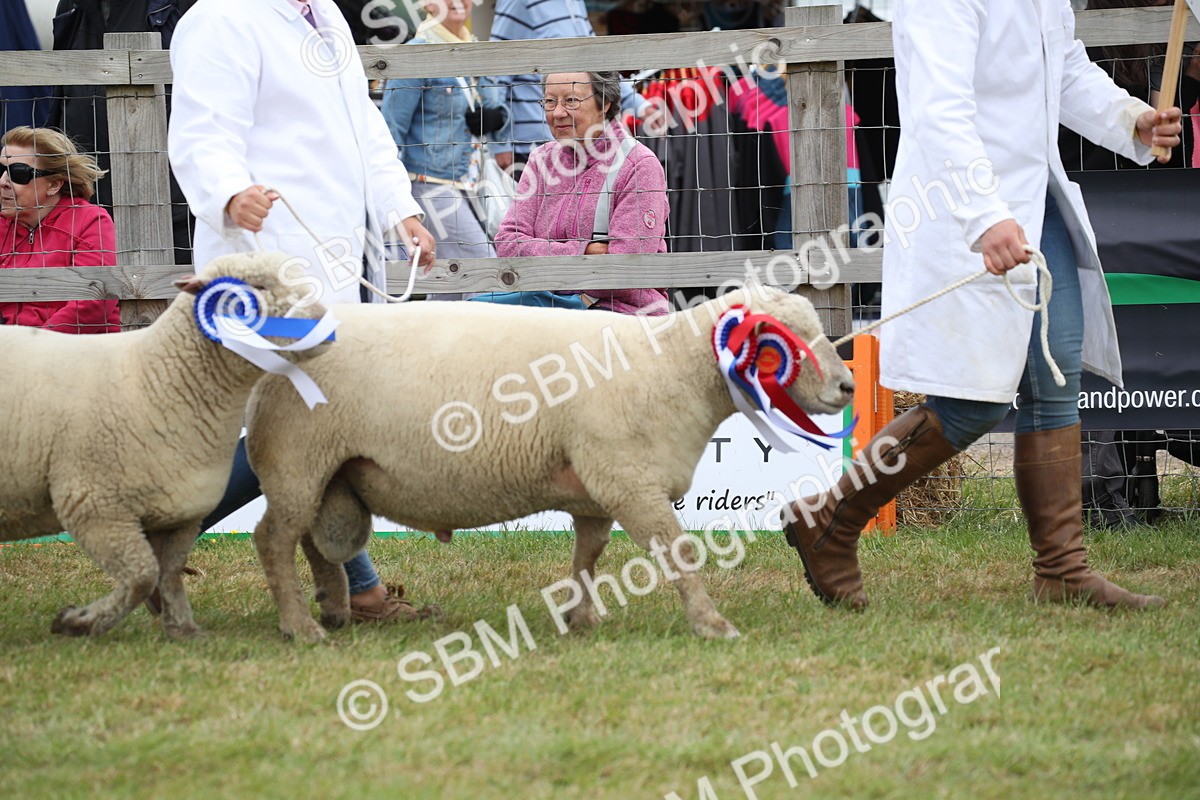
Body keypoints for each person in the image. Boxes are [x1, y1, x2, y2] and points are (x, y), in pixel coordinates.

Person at [778, 0, 1183, 611]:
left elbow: (1064, 66)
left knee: (1055, 374)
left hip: (1033, 202)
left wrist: (1131, 119)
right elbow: (940, 108)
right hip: (964, 207)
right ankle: (831, 518)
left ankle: (1062, 570)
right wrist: (983, 215)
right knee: (972, 403)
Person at [167, 0, 437, 623]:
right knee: (297, 425)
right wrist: (229, 192)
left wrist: (403, 208)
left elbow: (362, 124)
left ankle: (357, 591)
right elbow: (203, 128)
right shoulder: (220, 17)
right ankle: (162, 538)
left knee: (309, 424)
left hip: (334, 257)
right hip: (265, 261)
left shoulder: (327, 18)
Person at [482, 71, 669, 315]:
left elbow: (624, 269)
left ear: (606, 103)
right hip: (545, 308)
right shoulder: (542, 159)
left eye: (571, 101)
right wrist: (584, 250)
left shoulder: (638, 165)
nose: (557, 112)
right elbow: (507, 244)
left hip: (621, 315)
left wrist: (542, 256)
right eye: (549, 101)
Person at [382, 0, 508, 299]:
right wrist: (392, 194)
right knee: (483, 268)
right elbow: (391, 130)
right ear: (427, 4)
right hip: (429, 181)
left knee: (450, 279)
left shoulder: (477, 50)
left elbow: (496, 108)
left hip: (472, 181)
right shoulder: (415, 53)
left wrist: (495, 117)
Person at [488, 0, 655, 173]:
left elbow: (595, 61)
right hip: (528, 147)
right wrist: (500, 143)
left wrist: (639, 104)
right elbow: (496, 67)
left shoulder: (574, 2)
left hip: (571, 144)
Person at [0, 126, 121, 334]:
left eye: (18, 173)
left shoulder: (90, 220)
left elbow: (93, 302)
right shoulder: (3, 224)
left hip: (74, 351)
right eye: (1, 170)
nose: (3, 182)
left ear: (54, 185)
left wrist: (35, 346)